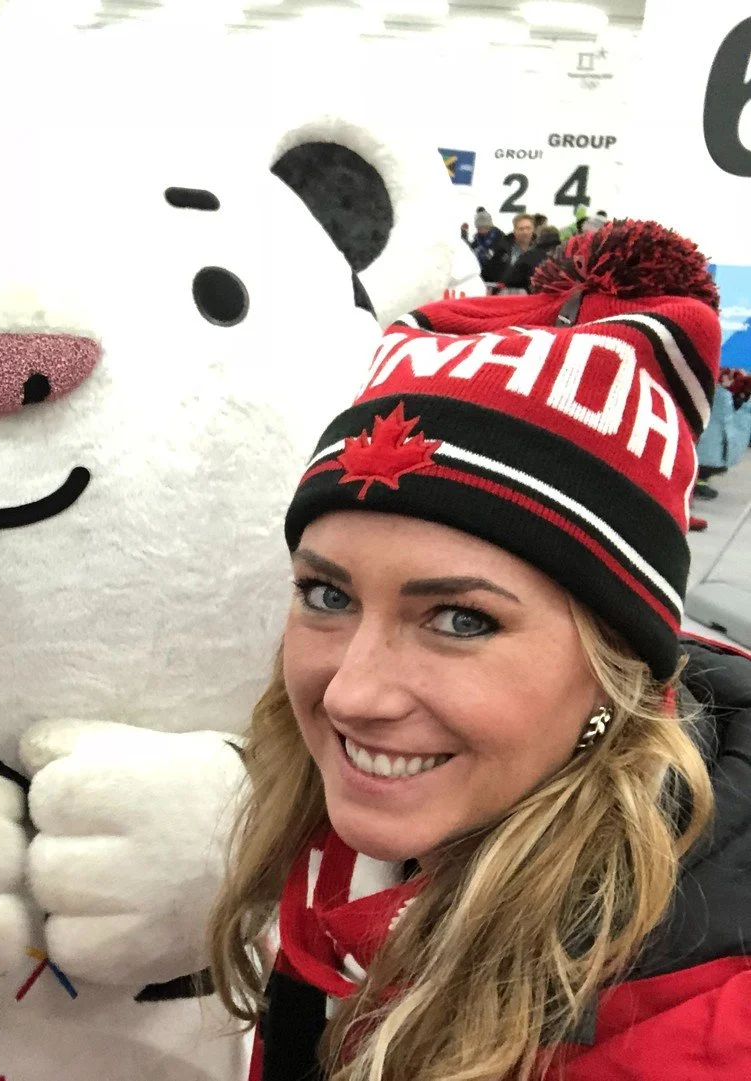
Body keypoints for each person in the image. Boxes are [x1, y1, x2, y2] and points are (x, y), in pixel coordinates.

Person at [210, 220, 750, 1080]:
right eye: (326, 594)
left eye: (459, 619)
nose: (351, 693)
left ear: (618, 664)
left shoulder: (698, 1026)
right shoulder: (353, 833)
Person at [498, 223, 561, 293]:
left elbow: (509, 280)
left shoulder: (527, 256)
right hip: (565, 298)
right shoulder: (566, 256)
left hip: (537, 298)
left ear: (539, 237)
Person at [465, 207, 510, 284]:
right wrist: (464, 235)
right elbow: (469, 251)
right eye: (479, 228)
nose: (482, 230)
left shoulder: (499, 237)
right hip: (483, 277)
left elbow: (502, 256)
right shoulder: (477, 238)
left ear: (489, 226)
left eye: (484, 227)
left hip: (498, 277)